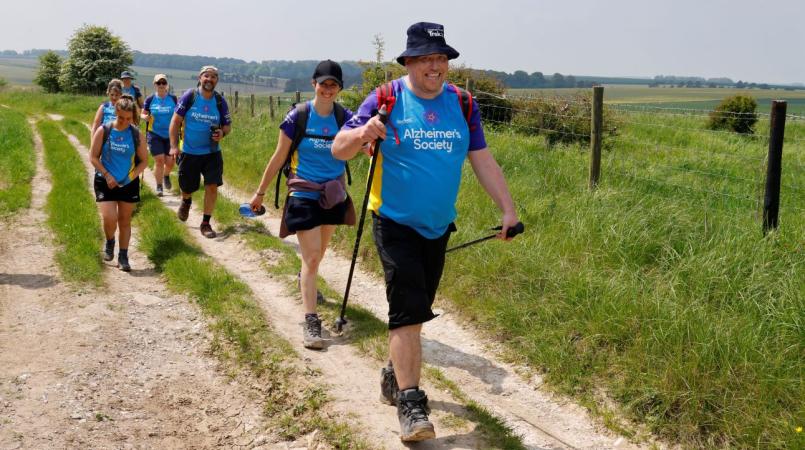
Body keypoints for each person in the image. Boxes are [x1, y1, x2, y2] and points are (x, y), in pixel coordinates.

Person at [332, 22, 519, 442]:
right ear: (409, 61)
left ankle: (392, 372)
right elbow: (339, 147)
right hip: (394, 220)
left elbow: (483, 160)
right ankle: (412, 405)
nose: (436, 66)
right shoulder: (387, 98)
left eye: (441, 58)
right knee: (408, 310)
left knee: (417, 310)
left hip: (438, 226)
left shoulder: (464, 104)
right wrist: (363, 132)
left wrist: (507, 209)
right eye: (426, 58)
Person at [249, 60, 355, 350]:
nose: (328, 89)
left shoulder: (346, 118)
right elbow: (279, 155)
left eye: (333, 84)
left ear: (339, 88)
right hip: (303, 193)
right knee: (311, 258)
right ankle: (311, 321)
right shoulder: (298, 116)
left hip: (333, 194)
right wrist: (260, 192)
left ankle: (305, 280)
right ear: (314, 84)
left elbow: (361, 148)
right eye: (323, 83)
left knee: (318, 254)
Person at [169, 65, 232, 238]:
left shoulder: (220, 101)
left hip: (212, 152)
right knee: (187, 186)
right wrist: (174, 146)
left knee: (212, 187)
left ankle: (206, 223)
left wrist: (222, 133)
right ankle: (186, 200)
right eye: (206, 76)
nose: (209, 79)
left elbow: (227, 126)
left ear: (217, 80)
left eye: (213, 77)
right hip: (189, 152)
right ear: (200, 78)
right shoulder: (190, 96)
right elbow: (175, 122)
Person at [89, 95, 148, 272]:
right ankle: (109, 241)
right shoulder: (104, 130)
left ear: (133, 117)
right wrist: (107, 175)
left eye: (128, 119)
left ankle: (123, 255)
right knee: (109, 217)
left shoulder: (136, 134)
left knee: (124, 220)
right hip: (105, 180)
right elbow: (93, 157)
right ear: (116, 112)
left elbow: (144, 161)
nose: (124, 122)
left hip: (127, 183)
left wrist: (130, 178)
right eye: (121, 117)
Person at [141, 74, 178, 197]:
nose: (161, 85)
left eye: (163, 83)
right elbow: (143, 113)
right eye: (159, 83)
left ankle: (166, 175)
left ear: (167, 84)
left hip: (170, 134)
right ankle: (159, 186)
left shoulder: (173, 99)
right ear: (155, 85)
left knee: (170, 162)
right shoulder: (150, 99)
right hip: (154, 134)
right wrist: (144, 117)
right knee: (159, 161)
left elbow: (180, 114)